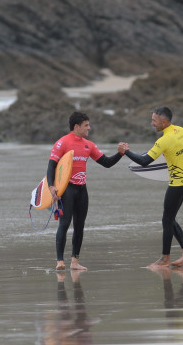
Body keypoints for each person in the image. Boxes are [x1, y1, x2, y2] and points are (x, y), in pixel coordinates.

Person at [48, 111, 127, 271]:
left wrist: (120, 154)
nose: (89, 128)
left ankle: (75, 262)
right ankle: (60, 261)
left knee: (79, 226)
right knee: (64, 224)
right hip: (67, 189)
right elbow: (51, 165)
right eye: (86, 125)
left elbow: (106, 162)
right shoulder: (62, 143)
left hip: (82, 190)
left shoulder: (88, 145)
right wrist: (51, 186)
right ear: (77, 126)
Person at [124, 106, 183, 268]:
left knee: (167, 220)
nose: (152, 123)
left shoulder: (163, 141)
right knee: (169, 218)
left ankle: (165, 259)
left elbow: (144, 161)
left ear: (164, 122)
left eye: (154, 121)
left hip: (176, 184)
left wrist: (126, 151)